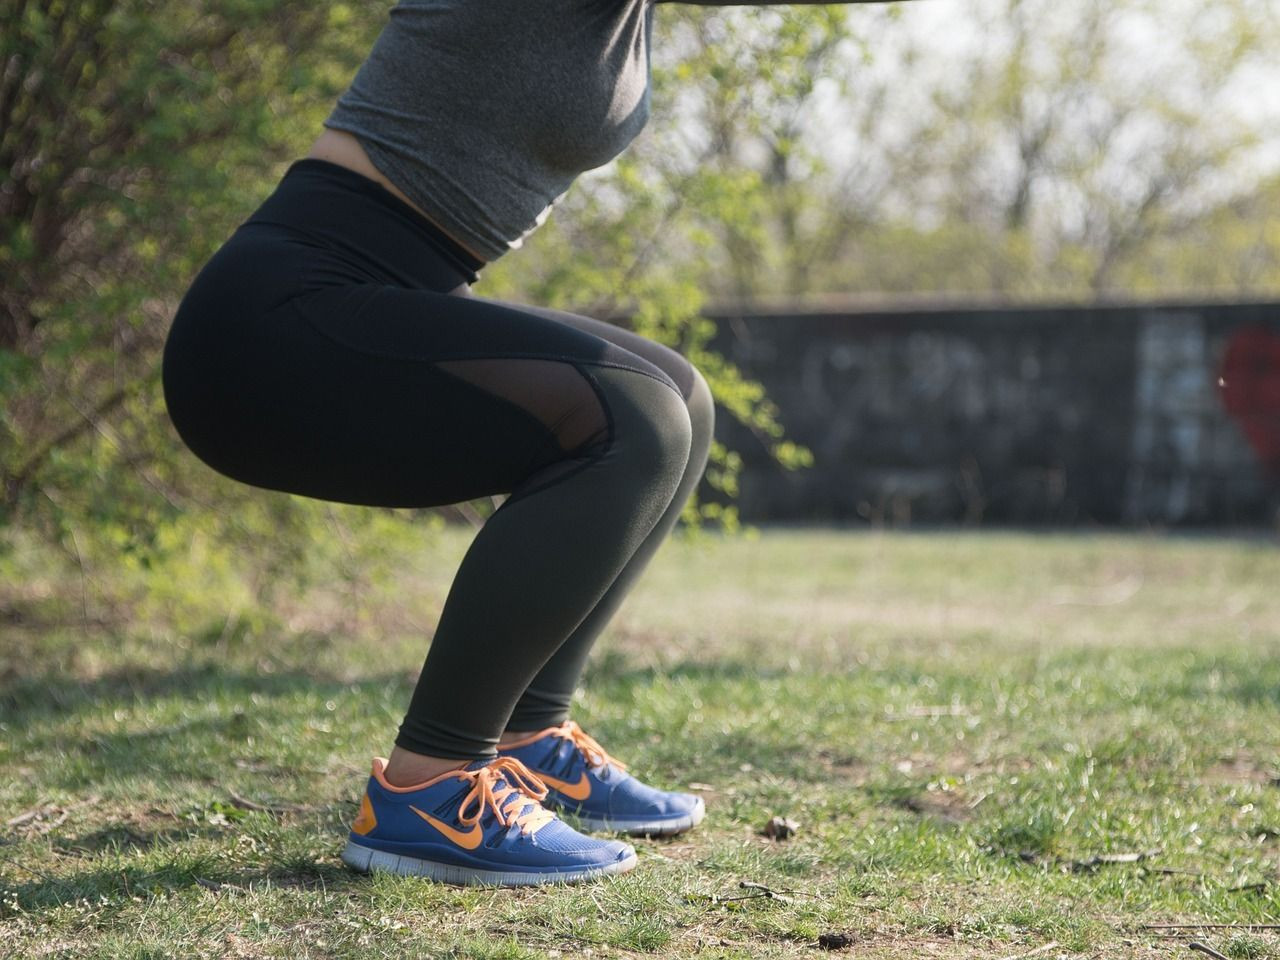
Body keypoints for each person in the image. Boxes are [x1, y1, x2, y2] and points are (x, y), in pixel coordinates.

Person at [161, 0, 878, 887]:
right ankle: (430, 787)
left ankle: (527, 740)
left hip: (363, 297)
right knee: (634, 421)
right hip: (273, 323)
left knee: (681, 402)